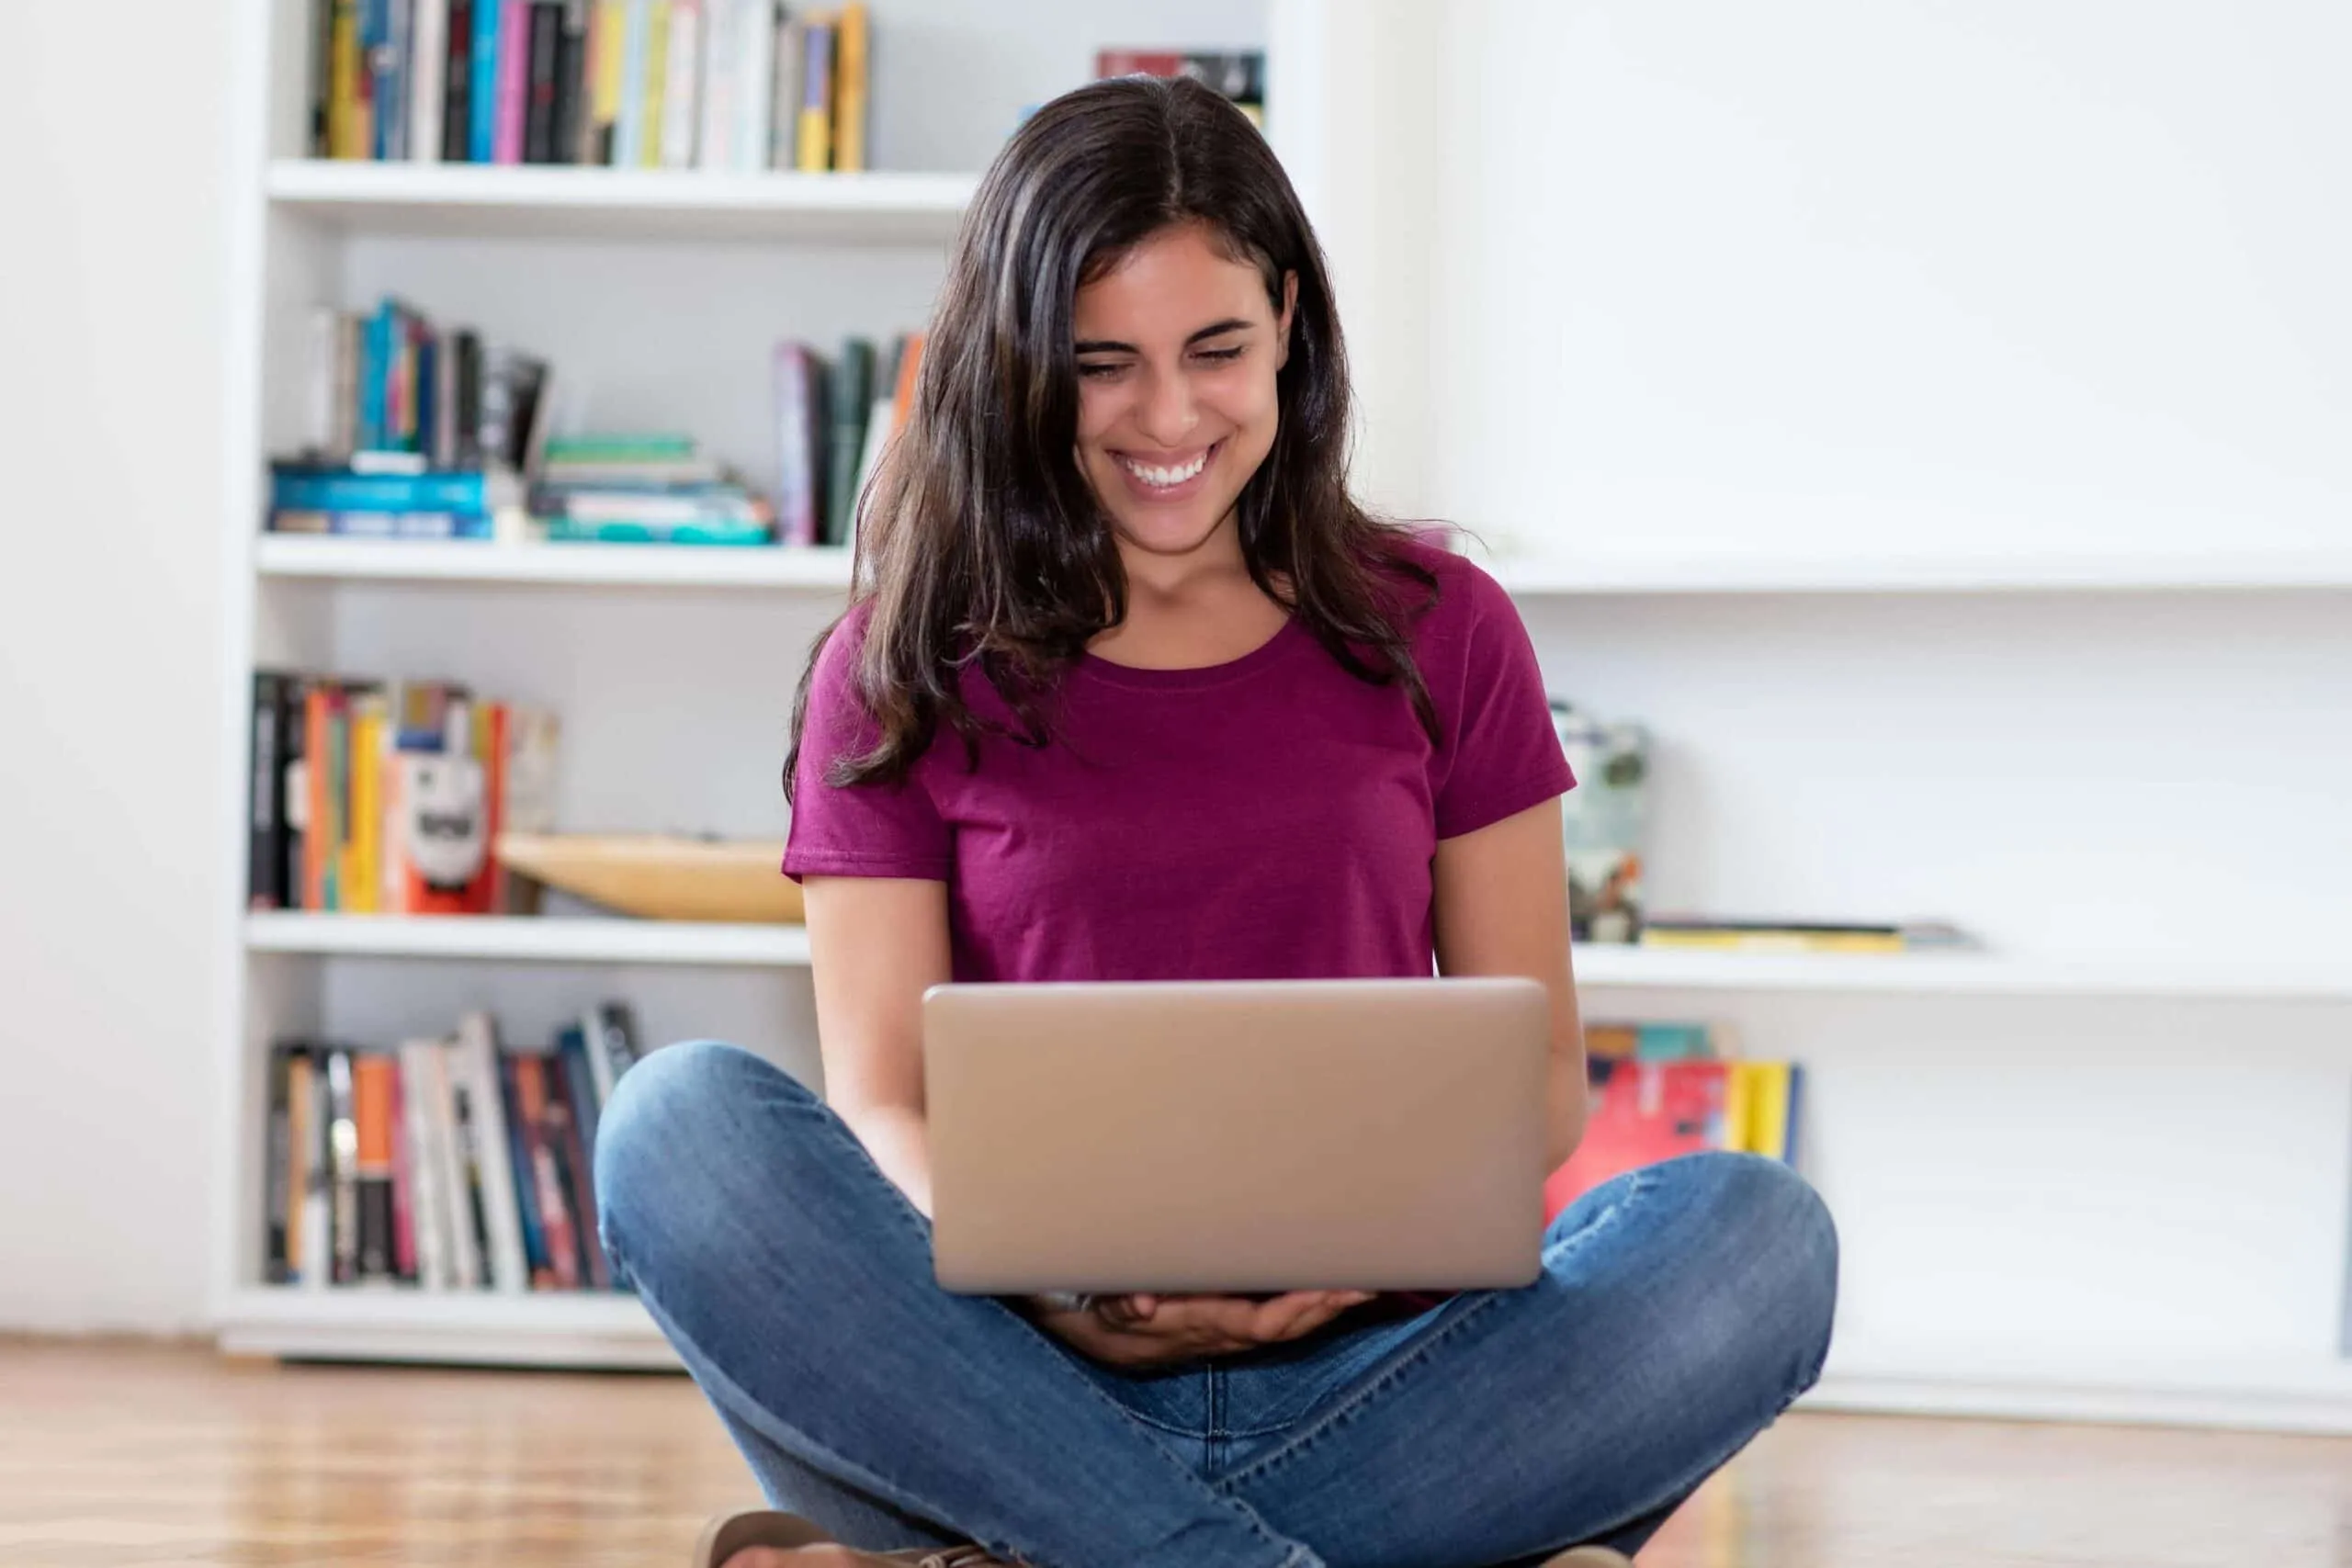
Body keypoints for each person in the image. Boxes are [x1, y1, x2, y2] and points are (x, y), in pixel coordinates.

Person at [594, 74, 1838, 1568]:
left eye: (1216, 350)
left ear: (1292, 325)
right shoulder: (898, 668)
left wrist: (1342, 1259)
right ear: (1015, 366)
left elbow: (1540, 1080)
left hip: (1392, 1365)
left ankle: (1034, 1557)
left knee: (1757, 1235)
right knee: (678, 1129)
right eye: (1101, 363)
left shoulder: (1446, 629)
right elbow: (884, 1104)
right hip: (1003, 1375)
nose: (1168, 416)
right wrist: (1063, 1284)